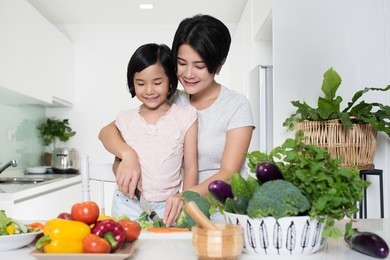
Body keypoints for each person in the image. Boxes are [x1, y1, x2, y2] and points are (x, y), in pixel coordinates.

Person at [99, 14, 254, 226]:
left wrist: (186, 196)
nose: (188, 74)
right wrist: (127, 155)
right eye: (181, 63)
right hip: (171, 207)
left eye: (199, 66)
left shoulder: (236, 105)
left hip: (220, 210)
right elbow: (109, 131)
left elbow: (228, 173)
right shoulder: (169, 99)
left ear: (218, 65)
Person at [109, 43, 198, 220]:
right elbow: (117, 161)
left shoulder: (186, 116)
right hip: (128, 204)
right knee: (127, 246)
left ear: (170, 81)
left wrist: (184, 199)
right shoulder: (126, 118)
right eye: (140, 83)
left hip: (169, 206)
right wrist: (123, 163)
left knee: (169, 248)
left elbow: (191, 168)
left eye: (157, 83)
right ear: (132, 83)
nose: (149, 91)